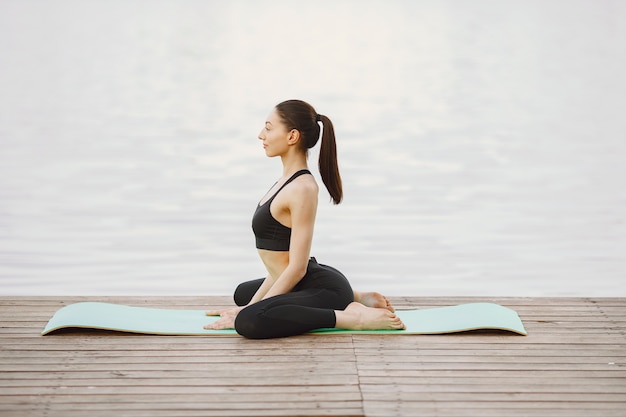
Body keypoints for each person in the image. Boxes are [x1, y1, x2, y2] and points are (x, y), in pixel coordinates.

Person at [204, 99, 405, 339]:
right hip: (304, 280)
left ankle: (354, 317)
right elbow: (279, 263)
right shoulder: (283, 182)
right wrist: (246, 306)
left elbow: (296, 268)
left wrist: (249, 312)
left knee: (249, 322)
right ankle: (354, 297)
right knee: (242, 294)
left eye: (268, 128)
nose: (261, 135)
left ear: (292, 137)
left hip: (318, 285)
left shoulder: (303, 188)